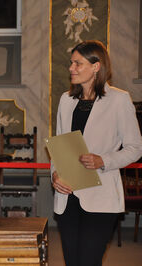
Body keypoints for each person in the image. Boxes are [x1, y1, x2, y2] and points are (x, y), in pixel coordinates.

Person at [51, 40, 142, 266]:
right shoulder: (66, 100)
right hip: (67, 196)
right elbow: (58, 147)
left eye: (78, 63)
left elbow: (135, 148)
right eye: (71, 63)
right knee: (72, 262)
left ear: (96, 66)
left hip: (101, 198)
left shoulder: (119, 100)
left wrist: (104, 160)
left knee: (89, 262)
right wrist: (54, 175)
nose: (71, 68)